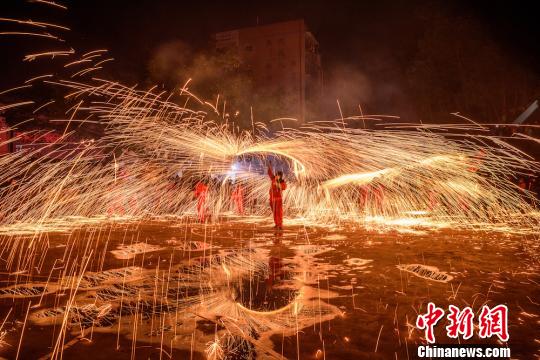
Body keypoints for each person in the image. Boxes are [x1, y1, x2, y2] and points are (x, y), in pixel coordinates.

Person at [267, 164, 287, 229]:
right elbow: (269, 173)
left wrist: (277, 184)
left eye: (278, 176)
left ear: (280, 176)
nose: (277, 176)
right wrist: (269, 166)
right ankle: (276, 224)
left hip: (278, 199)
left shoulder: (282, 182)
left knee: (279, 212)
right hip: (272, 199)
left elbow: (284, 187)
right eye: (276, 175)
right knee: (274, 213)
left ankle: (280, 225)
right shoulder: (273, 179)